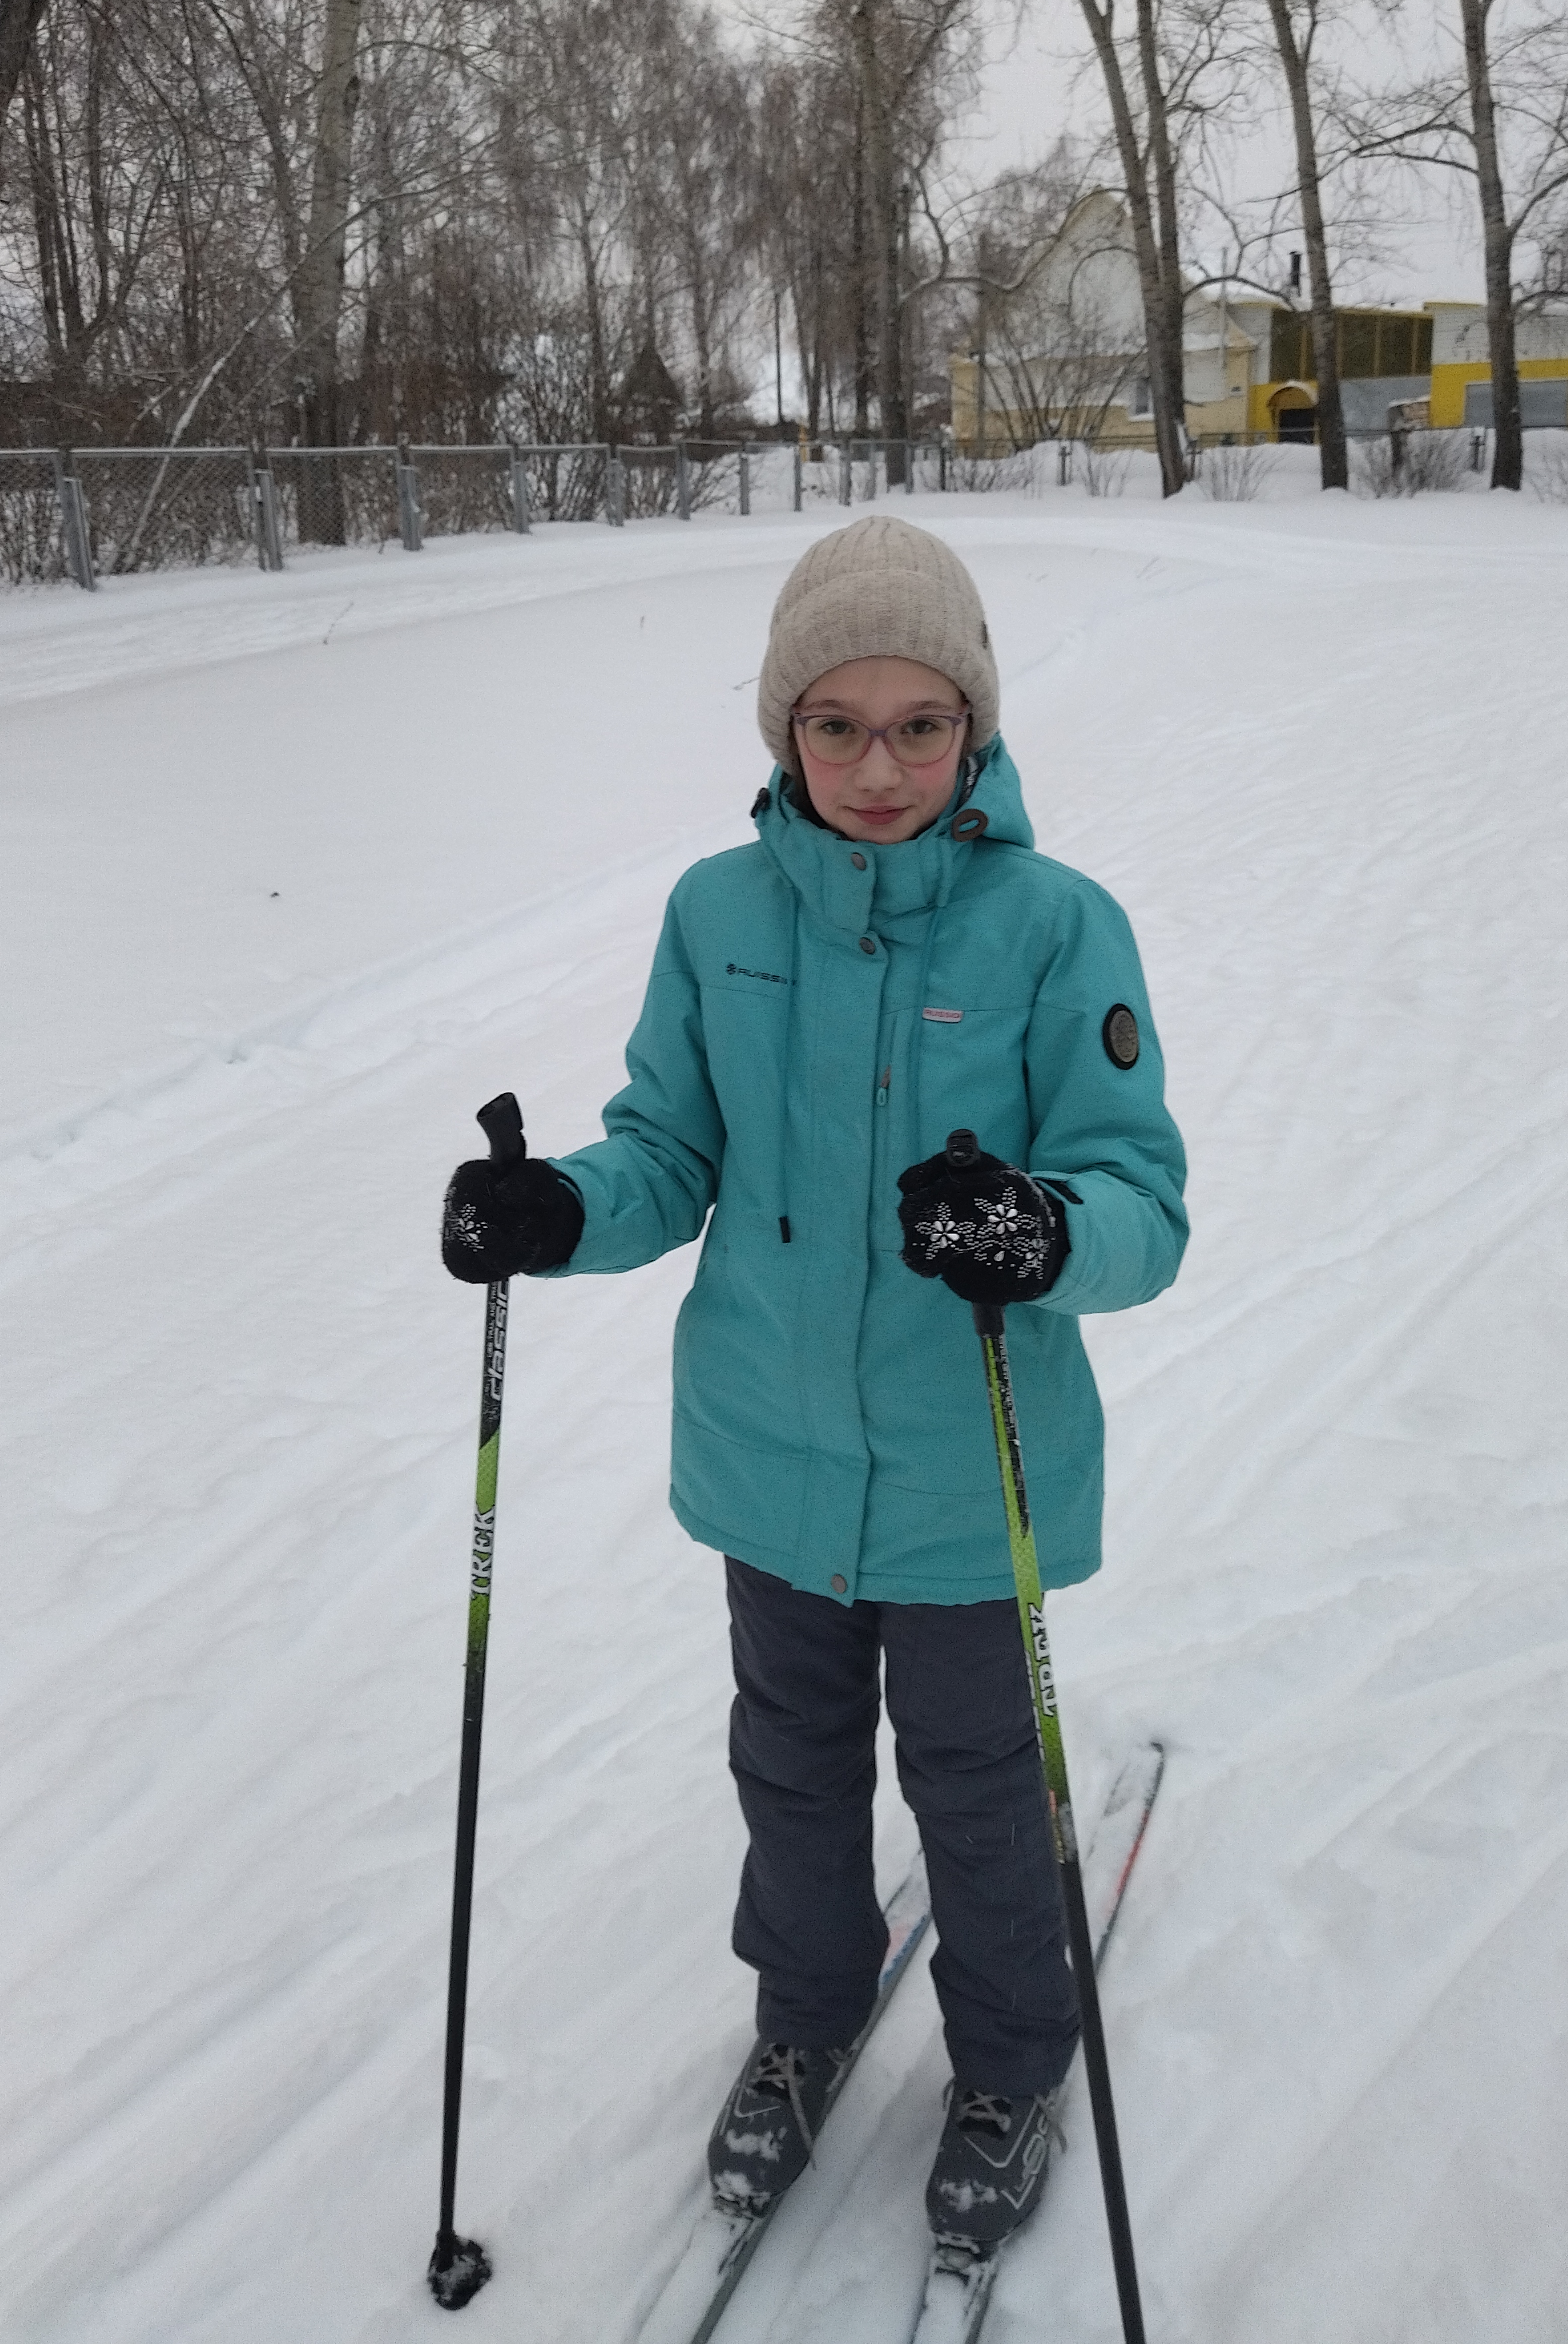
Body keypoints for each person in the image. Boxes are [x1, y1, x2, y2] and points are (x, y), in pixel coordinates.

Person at [442, 515, 1188, 2252]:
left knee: (980, 1782)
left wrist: (1038, 1227)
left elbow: (1141, 1204)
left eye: (919, 724)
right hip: (768, 1455)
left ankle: (1010, 2058)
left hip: (961, 1474)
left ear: (976, 731)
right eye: (835, 725)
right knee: (788, 1764)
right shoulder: (717, 916)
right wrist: (556, 1207)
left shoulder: (1059, 929)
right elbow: (664, 1150)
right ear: (783, 735)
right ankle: (806, 2018)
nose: (876, 765)